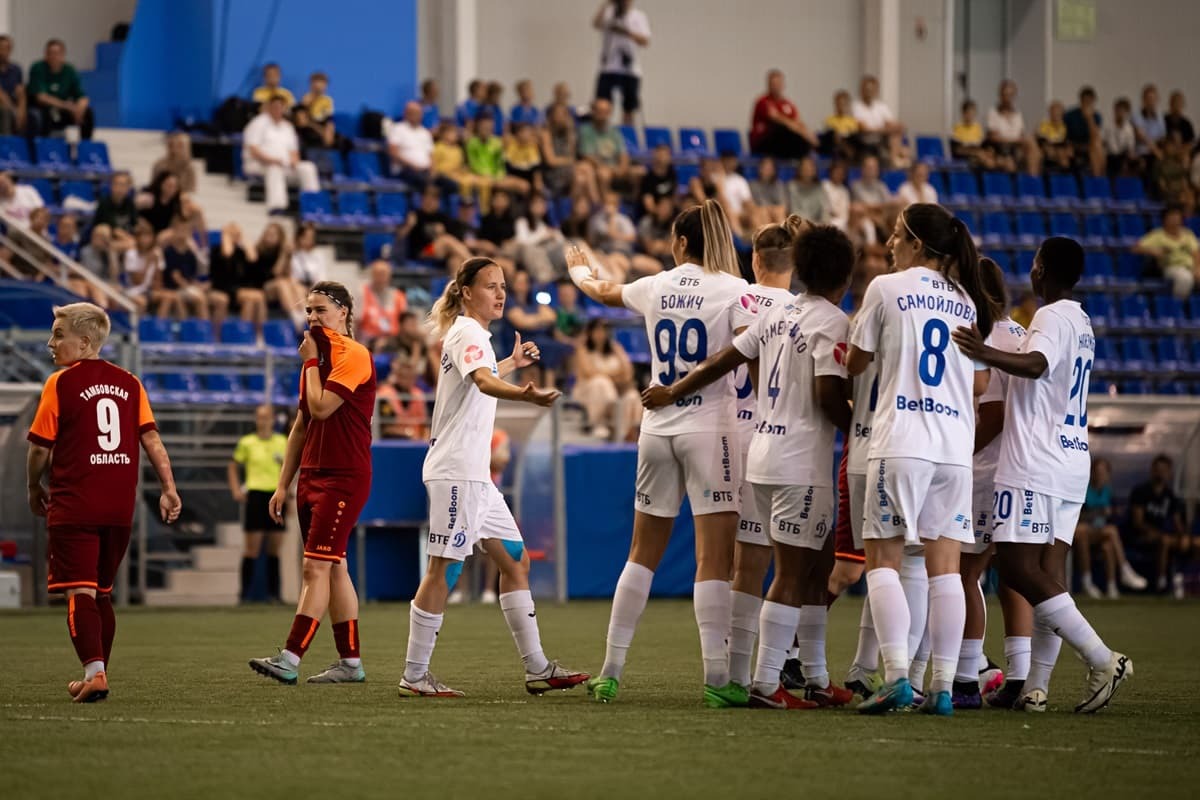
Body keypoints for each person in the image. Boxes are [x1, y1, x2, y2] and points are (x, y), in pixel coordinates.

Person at [645, 221, 855, 710]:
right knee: (795, 573)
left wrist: (674, 390)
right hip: (801, 462)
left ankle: (801, 675)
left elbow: (723, 359)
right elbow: (827, 395)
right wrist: (860, 426)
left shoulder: (780, 315)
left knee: (799, 563)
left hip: (760, 457)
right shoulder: (833, 322)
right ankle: (766, 683)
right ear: (844, 279)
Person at [567, 200, 757, 707]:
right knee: (713, 559)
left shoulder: (657, 284)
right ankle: (718, 679)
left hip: (655, 428)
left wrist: (580, 270)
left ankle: (609, 670)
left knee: (641, 554)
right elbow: (745, 351)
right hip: (708, 426)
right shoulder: (735, 290)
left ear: (679, 242)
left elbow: (601, 292)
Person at [952, 236, 1132, 714]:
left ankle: (1101, 656)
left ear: (1042, 269)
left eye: (1034, 264)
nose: (1030, 272)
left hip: (1036, 462)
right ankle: (1036, 687)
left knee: (1016, 568)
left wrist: (985, 354)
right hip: (1072, 458)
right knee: (1048, 574)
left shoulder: (1051, 316)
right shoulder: (1083, 320)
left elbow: (1037, 364)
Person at [399, 256, 587, 697]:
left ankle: (538, 668)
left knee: (516, 559)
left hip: (475, 478)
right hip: (456, 473)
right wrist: (523, 394)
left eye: (503, 285)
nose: (500, 293)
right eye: (490, 286)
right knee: (443, 569)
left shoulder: (474, 337)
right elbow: (482, 382)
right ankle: (414, 674)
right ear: (467, 292)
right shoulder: (467, 331)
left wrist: (511, 363)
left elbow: (481, 374)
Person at [845, 202, 997, 716]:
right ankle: (943, 686)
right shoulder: (965, 300)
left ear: (914, 242)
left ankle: (894, 678)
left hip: (901, 440)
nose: (889, 243)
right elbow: (978, 382)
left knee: (882, 560)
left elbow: (857, 362)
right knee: (947, 571)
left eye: (894, 235)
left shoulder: (886, 288)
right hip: (954, 449)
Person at [27, 302, 181, 702]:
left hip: (74, 504)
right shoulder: (130, 382)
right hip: (118, 509)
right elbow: (152, 440)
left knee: (80, 593)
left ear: (85, 342)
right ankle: (97, 672)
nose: (51, 343)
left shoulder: (59, 383)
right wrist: (169, 488)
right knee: (102, 593)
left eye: (58, 335)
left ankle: (95, 673)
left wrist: (32, 487)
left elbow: (40, 450)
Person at [249, 281, 376, 685]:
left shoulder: (353, 355)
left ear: (343, 313)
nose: (312, 318)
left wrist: (308, 364)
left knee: (314, 566)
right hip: (314, 475)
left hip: (343, 475)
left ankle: (290, 657)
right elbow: (301, 426)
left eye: (321, 310)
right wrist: (283, 484)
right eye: (308, 311)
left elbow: (321, 409)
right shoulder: (318, 358)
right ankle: (350, 663)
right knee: (334, 566)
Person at [954, 257, 1028, 710]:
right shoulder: (1019, 333)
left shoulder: (988, 338)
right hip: (1017, 469)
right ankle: (1018, 675)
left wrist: (960, 454)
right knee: (1013, 574)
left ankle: (968, 674)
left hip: (986, 472)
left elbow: (995, 414)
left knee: (965, 574)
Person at [228, 405, 288, 603]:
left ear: (273, 419)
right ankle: (244, 595)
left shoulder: (282, 442)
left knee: (274, 548)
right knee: (252, 548)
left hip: (276, 495)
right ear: (256, 419)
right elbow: (233, 466)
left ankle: (275, 594)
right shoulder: (247, 442)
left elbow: (291, 467)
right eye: (260, 417)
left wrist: (289, 490)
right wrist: (237, 489)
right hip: (255, 495)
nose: (263, 421)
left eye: (267, 417)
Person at [1076, 458, 1147, 600]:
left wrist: (1113, 513)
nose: (1099, 476)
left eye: (1103, 472)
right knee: (1110, 531)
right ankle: (1124, 570)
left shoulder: (1108, 491)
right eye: (1096, 472)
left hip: (1100, 534)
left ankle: (1111, 587)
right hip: (1083, 533)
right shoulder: (1083, 490)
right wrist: (1098, 513)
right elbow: (1077, 516)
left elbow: (1113, 515)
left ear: (1108, 474)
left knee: (1108, 546)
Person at [242, 93, 319, 212]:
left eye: (280, 107)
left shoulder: (288, 127)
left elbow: (294, 151)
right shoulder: (257, 123)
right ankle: (277, 207)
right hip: (259, 164)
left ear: (284, 108)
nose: (278, 109)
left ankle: (312, 207)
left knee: (308, 167)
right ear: (269, 107)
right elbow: (253, 150)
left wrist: (294, 161)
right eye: (275, 106)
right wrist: (272, 160)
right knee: (274, 168)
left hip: (285, 164)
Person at [1129, 454, 1191, 597]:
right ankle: (1161, 583)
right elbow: (1138, 522)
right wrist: (1157, 533)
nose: (1161, 473)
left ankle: (1182, 578)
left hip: (1165, 536)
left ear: (1170, 473)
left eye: (1164, 470)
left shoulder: (1170, 496)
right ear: (1152, 470)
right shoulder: (1141, 492)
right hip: (1142, 536)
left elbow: (1177, 522)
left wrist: (1183, 536)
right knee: (1164, 540)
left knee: (1192, 543)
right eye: (1158, 469)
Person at [573, 318, 640, 441]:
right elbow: (588, 372)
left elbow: (628, 372)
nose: (600, 334)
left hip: (617, 388)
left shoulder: (616, 348)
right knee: (601, 383)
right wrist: (613, 376)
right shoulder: (583, 349)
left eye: (603, 331)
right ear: (590, 332)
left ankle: (625, 432)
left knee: (632, 395)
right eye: (597, 331)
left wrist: (612, 377)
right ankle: (599, 423)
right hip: (589, 389)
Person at [592, 0, 651, 126]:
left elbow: (645, 40)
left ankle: (627, 132)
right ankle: (603, 131)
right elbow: (596, 24)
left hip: (630, 68)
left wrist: (625, 32)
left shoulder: (638, 16)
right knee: (602, 104)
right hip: (608, 67)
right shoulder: (608, 14)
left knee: (629, 107)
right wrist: (607, 4)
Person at [26, 39, 92, 139]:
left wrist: (80, 108)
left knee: (88, 113)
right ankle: (43, 147)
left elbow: (81, 96)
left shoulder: (69, 70)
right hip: (44, 107)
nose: (53, 57)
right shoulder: (38, 68)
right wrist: (66, 106)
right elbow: (41, 97)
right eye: (50, 53)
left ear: (63, 55)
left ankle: (85, 146)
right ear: (46, 55)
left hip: (64, 109)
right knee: (44, 114)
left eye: (57, 53)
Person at [399, 186, 473, 275]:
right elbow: (400, 236)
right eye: (427, 198)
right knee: (446, 240)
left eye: (433, 199)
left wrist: (441, 233)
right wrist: (409, 225)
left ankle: (456, 286)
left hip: (442, 253)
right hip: (423, 252)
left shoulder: (442, 217)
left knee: (455, 260)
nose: (429, 202)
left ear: (438, 202)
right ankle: (474, 265)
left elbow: (457, 239)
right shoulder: (415, 215)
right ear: (422, 199)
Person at [388, 101, 456, 196]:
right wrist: (412, 166)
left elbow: (431, 156)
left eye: (418, 113)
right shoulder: (398, 129)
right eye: (412, 113)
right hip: (405, 170)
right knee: (425, 183)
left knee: (452, 185)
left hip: (425, 171)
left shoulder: (425, 133)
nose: (416, 116)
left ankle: (436, 203)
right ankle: (426, 205)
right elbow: (393, 153)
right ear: (406, 114)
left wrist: (433, 171)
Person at [749, 69, 818, 160]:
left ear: (783, 85)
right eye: (773, 84)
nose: (775, 87)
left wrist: (808, 133)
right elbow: (777, 118)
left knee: (802, 137)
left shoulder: (788, 104)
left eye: (778, 84)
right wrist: (797, 128)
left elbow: (798, 122)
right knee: (784, 129)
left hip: (783, 144)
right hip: (764, 143)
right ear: (768, 85)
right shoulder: (763, 101)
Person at [1133, 206, 1200, 299]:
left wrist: (1197, 268)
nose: (1175, 220)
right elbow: (1136, 248)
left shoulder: (1188, 234)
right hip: (1171, 267)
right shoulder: (1157, 235)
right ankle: (1177, 307)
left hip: (1190, 267)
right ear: (1165, 219)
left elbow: (1196, 252)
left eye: (1177, 217)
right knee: (1185, 278)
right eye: (1172, 217)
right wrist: (1152, 250)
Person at [578, 98, 640, 195]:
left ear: (609, 113)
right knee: (604, 174)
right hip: (598, 167)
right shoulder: (586, 131)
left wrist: (622, 168)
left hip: (615, 167)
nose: (602, 115)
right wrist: (608, 168)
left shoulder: (614, 132)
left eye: (605, 112)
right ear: (593, 112)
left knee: (640, 172)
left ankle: (636, 207)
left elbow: (623, 154)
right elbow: (587, 155)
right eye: (599, 111)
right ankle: (606, 206)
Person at [852, 75, 909, 167]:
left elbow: (894, 124)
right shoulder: (856, 106)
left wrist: (896, 127)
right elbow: (864, 129)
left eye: (871, 90)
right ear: (862, 90)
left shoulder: (881, 106)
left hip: (881, 139)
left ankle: (896, 159)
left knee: (896, 134)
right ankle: (898, 158)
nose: (869, 92)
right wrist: (885, 130)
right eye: (867, 89)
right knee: (894, 136)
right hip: (864, 141)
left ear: (876, 91)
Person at [985, 80, 1040, 175]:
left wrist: (1020, 140)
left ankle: (1033, 179)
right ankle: (1031, 180)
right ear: (1000, 95)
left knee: (1034, 150)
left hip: (1018, 148)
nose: (1007, 98)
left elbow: (1021, 135)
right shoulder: (993, 113)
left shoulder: (1018, 114)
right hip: (1001, 149)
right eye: (1005, 95)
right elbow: (994, 138)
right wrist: (1015, 140)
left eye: (1010, 95)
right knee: (1029, 148)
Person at [358, 259, 408, 350]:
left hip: (393, 340)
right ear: (372, 275)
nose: (381, 278)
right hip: (368, 340)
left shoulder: (398, 296)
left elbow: (404, 323)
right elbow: (357, 323)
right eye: (378, 274)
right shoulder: (362, 293)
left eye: (384, 274)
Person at [376, 357, 428, 440]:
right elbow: (386, 428)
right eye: (404, 376)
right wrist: (408, 433)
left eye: (411, 377)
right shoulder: (385, 395)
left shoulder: (418, 394)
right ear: (397, 376)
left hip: (417, 443)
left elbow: (425, 425)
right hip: (393, 441)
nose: (408, 380)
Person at [1064, 87, 1105, 177]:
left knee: (1098, 148)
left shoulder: (1096, 116)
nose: (1087, 104)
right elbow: (1063, 134)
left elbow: (1095, 137)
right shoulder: (1070, 115)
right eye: (1085, 101)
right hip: (1073, 145)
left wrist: (1089, 120)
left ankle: (1098, 178)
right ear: (1080, 101)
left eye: (1090, 102)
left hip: (1088, 146)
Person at [951, 100, 996, 169]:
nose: (970, 116)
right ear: (963, 113)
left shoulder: (978, 128)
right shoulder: (957, 128)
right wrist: (976, 153)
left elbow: (983, 146)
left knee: (994, 160)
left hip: (979, 155)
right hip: (965, 158)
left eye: (973, 113)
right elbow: (958, 150)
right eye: (968, 113)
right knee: (987, 162)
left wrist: (988, 152)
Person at [1102, 97, 1138, 176]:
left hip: (1123, 156)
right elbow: (1103, 142)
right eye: (1118, 110)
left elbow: (1130, 147)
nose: (1120, 113)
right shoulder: (1107, 126)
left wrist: (1130, 155)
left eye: (1123, 111)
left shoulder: (1129, 129)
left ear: (1127, 113)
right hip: (1109, 155)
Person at [639, 143, 677, 215]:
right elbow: (649, 205)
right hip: (651, 216)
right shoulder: (648, 178)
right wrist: (661, 212)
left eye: (665, 155)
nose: (662, 158)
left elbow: (673, 197)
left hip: (669, 213)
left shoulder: (672, 173)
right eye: (660, 155)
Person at [0, 34, 26, 135]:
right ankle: (6, 146)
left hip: (13, 104)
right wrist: (14, 111)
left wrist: (21, 110)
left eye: (6, 48)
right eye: (1, 48)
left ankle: (25, 148)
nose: (3, 52)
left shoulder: (16, 69)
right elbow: (1, 95)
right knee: (5, 112)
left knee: (31, 115)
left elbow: (21, 92)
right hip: (5, 105)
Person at [749, 156, 787, 226]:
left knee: (780, 211)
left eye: (770, 168)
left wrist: (772, 209)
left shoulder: (778, 184)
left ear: (774, 170)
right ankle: (765, 235)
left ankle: (782, 235)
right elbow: (755, 203)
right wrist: (769, 209)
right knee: (763, 212)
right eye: (765, 167)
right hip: (760, 211)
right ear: (760, 169)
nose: (767, 170)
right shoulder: (753, 185)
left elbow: (782, 203)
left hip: (775, 211)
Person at [1037, 101, 1073, 173]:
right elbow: (1042, 138)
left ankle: (1065, 178)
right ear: (1050, 112)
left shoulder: (1066, 126)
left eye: (1058, 112)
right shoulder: (1044, 124)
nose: (1056, 114)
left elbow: (1067, 140)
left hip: (1061, 148)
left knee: (1065, 156)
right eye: (1053, 112)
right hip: (1047, 147)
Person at [1133, 84, 1166, 162]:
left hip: (1157, 150)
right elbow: (1142, 137)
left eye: (1153, 99)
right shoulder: (1136, 115)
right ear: (1143, 100)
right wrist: (1156, 151)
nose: (1151, 102)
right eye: (1148, 99)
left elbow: (1162, 137)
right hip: (1141, 152)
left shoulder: (1160, 117)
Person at [823, 89, 860, 161]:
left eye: (843, 104)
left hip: (848, 143)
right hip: (834, 145)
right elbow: (829, 134)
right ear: (835, 104)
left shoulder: (853, 121)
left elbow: (853, 135)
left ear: (848, 104)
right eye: (838, 103)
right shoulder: (829, 120)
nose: (841, 106)